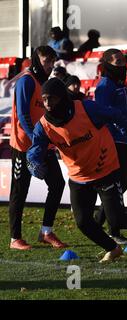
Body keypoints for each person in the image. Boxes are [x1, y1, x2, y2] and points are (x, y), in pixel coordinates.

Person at [26, 78, 127, 262]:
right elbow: (34, 151)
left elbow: (117, 115)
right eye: (44, 99)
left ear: (62, 97)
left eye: (51, 98)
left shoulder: (87, 109)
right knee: (83, 223)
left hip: (106, 170)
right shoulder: (43, 126)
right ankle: (113, 248)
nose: (47, 104)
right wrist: (34, 165)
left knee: (116, 219)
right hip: (79, 177)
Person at [8, 46, 67, 250]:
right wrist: (36, 140)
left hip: (43, 145)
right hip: (24, 146)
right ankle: (15, 238)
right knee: (19, 191)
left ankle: (46, 231)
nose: (49, 65)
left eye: (52, 61)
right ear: (36, 60)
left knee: (57, 184)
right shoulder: (26, 80)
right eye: (46, 61)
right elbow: (23, 116)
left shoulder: (46, 84)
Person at [93, 49, 127, 245]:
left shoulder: (117, 85)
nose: (123, 65)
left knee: (121, 186)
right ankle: (113, 230)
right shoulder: (104, 86)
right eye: (118, 61)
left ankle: (97, 225)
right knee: (115, 188)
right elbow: (104, 116)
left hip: (123, 141)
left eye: (124, 61)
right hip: (113, 142)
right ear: (108, 64)